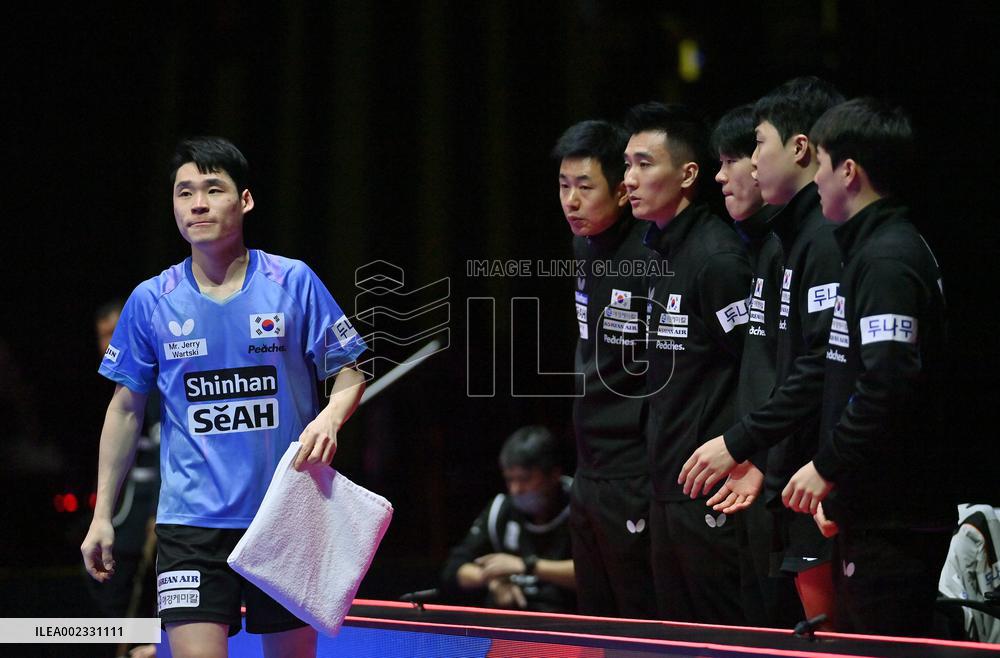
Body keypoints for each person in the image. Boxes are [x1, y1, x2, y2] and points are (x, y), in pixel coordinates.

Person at [81, 137, 367, 658]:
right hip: (190, 524)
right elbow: (124, 410)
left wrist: (329, 418)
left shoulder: (292, 282)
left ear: (246, 201)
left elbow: (350, 372)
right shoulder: (152, 300)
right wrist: (102, 514)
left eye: (213, 189)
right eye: (184, 192)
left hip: (283, 514)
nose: (197, 204)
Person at [783, 97, 954, 635]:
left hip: (896, 521)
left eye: (823, 166)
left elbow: (885, 384)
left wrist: (827, 467)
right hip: (875, 511)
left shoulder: (886, 259)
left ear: (848, 172)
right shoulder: (873, 250)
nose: (816, 183)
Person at [679, 77, 844, 627]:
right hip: (777, 474)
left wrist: (745, 444)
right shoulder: (787, 241)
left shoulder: (822, 241)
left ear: (798, 148)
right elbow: (777, 366)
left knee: (831, 638)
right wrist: (757, 459)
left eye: (755, 147)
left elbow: (821, 370)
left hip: (814, 483)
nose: (745, 166)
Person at [624, 101, 750, 624]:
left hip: (712, 495)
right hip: (667, 490)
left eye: (644, 164)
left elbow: (754, 365)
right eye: (627, 164)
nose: (628, 178)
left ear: (688, 174)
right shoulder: (658, 253)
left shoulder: (718, 258)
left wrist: (745, 456)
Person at [551, 120, 656, 618]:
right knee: (596, 622)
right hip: (589, 467)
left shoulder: (653, 254)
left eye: (584, 187)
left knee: (640, 623)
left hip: (636, 471)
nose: (571, 201)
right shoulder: (583, 248)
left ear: (620, 191)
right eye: (564, 186)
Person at [705, 104, 804, 628]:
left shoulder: (799, 247)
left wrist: (764, 457)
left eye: (736, 157)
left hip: (784, 482)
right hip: (751, 477)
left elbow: (808, 374)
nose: (723, 175)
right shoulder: (765, 249)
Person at [90, 300, 161, 658]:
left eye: (113, 333)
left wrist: (157, 512)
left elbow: (166, 456)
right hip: (117, 520)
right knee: (108, 598)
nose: (108, 343)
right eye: (102, 336)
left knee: (150, 597)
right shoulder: (102, 387)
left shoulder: (151, 386)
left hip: (151, 518)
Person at [440, 426, 576, 613]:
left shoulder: (581, 506)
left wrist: (527, 566)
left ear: (554, 474)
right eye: (509, 480)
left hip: (570, 622)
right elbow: (454, 570)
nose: (515, 489)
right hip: (512, 623)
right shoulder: (501, 509)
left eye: (524, 479)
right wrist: (492, 579)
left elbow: (596, 575)